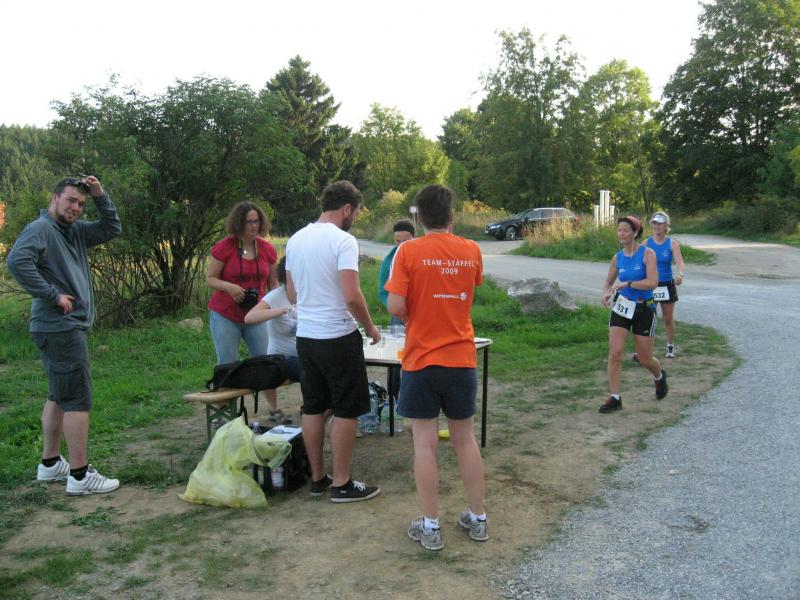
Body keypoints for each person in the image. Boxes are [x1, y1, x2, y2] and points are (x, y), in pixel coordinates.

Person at [386, 184, 487, 551]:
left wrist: (415, 311)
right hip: (461, 357)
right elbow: (471, 288)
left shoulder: (408, 251)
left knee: (424, 444)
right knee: (465, 439)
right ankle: (478, 518)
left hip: (422, 359)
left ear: (419, 218)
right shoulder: (471, 249)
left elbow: (395, 306)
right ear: (452, 216)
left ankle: (430, 526)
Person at [7, 176, 122, 495]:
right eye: (71, 200)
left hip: (57, 328)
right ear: (54, 198)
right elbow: (17, 261)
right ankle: (80, 475)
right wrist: (52, 294)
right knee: (77, 399)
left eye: (81, 204)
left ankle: (50, 464)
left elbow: (111, 228)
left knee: (59, 395)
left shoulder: (75, 230)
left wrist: (100, 195)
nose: (76, 207)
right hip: (60, 326)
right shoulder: (42, 228)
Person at [285, 180, 382, 503]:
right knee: (346, 408)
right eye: (356, 212)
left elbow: (292, 294)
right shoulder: (343, 241)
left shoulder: (296, 239)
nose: (354, 218)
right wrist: (370, 328)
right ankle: (342, 483)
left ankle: (318, 478)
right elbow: (352, 295)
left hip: (306, 336)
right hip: (337, 335)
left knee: (313, 406)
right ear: (347, 208)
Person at [600, 216, 669, 414]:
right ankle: (615, 398)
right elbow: (608, 281)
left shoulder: (647, 254)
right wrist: (606, 293)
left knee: (645, 358)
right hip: (622, 306)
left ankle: (659, 377)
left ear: (635, 232)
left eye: (625, 230)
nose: (621, 234)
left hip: (644, 308)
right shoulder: (618, 257)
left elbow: (653, 283)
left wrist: (628, 284)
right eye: (619, 230)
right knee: (615, 353)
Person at [206, 202, 278, 365]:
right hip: (226, 314)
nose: (253, 226)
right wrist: (228, 286)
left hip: (257, 312)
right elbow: (210, 279)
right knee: (227, 364)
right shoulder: (224, 247)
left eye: (256, 221)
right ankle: (230, 382)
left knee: (265, 362)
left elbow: (273, 284)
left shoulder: (267, 248)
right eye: (249, 222)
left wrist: (276, 309)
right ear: (239, 223)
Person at [244, 256, 299, 424]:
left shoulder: (308, 293)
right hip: (281, 357)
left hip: (303, 352)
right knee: (306, 369)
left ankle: (313, 406)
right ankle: (274, 409)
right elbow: (249, 317)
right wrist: (281, 310)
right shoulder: (276, 296)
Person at [640, 211, 685, 359]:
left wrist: (680, 275)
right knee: (648, 316)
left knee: (667, 318)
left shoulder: (672, 244)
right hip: (650, 286)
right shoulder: (646, 243)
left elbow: (680, 263)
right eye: (654, 223)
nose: (657, 226)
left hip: (666, 286)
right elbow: (639, 262)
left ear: (666, 226)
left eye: (660, 223)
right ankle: (644, 350)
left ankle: (670, 347)